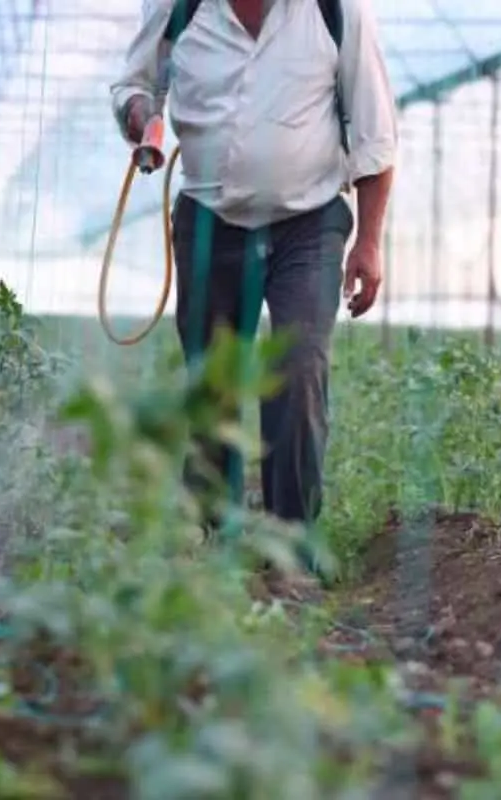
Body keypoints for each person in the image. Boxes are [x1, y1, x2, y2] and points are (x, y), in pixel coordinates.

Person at [111, 0, 398, 569]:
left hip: (309, 221)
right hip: (210, 216)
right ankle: (213, 536)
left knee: (297, 367)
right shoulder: (180, 8)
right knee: (212, 377)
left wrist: (368, 242)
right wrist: (145, 120)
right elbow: (133, 85)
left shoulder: (335, 10)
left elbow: (375, 134)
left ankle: (293, 549)